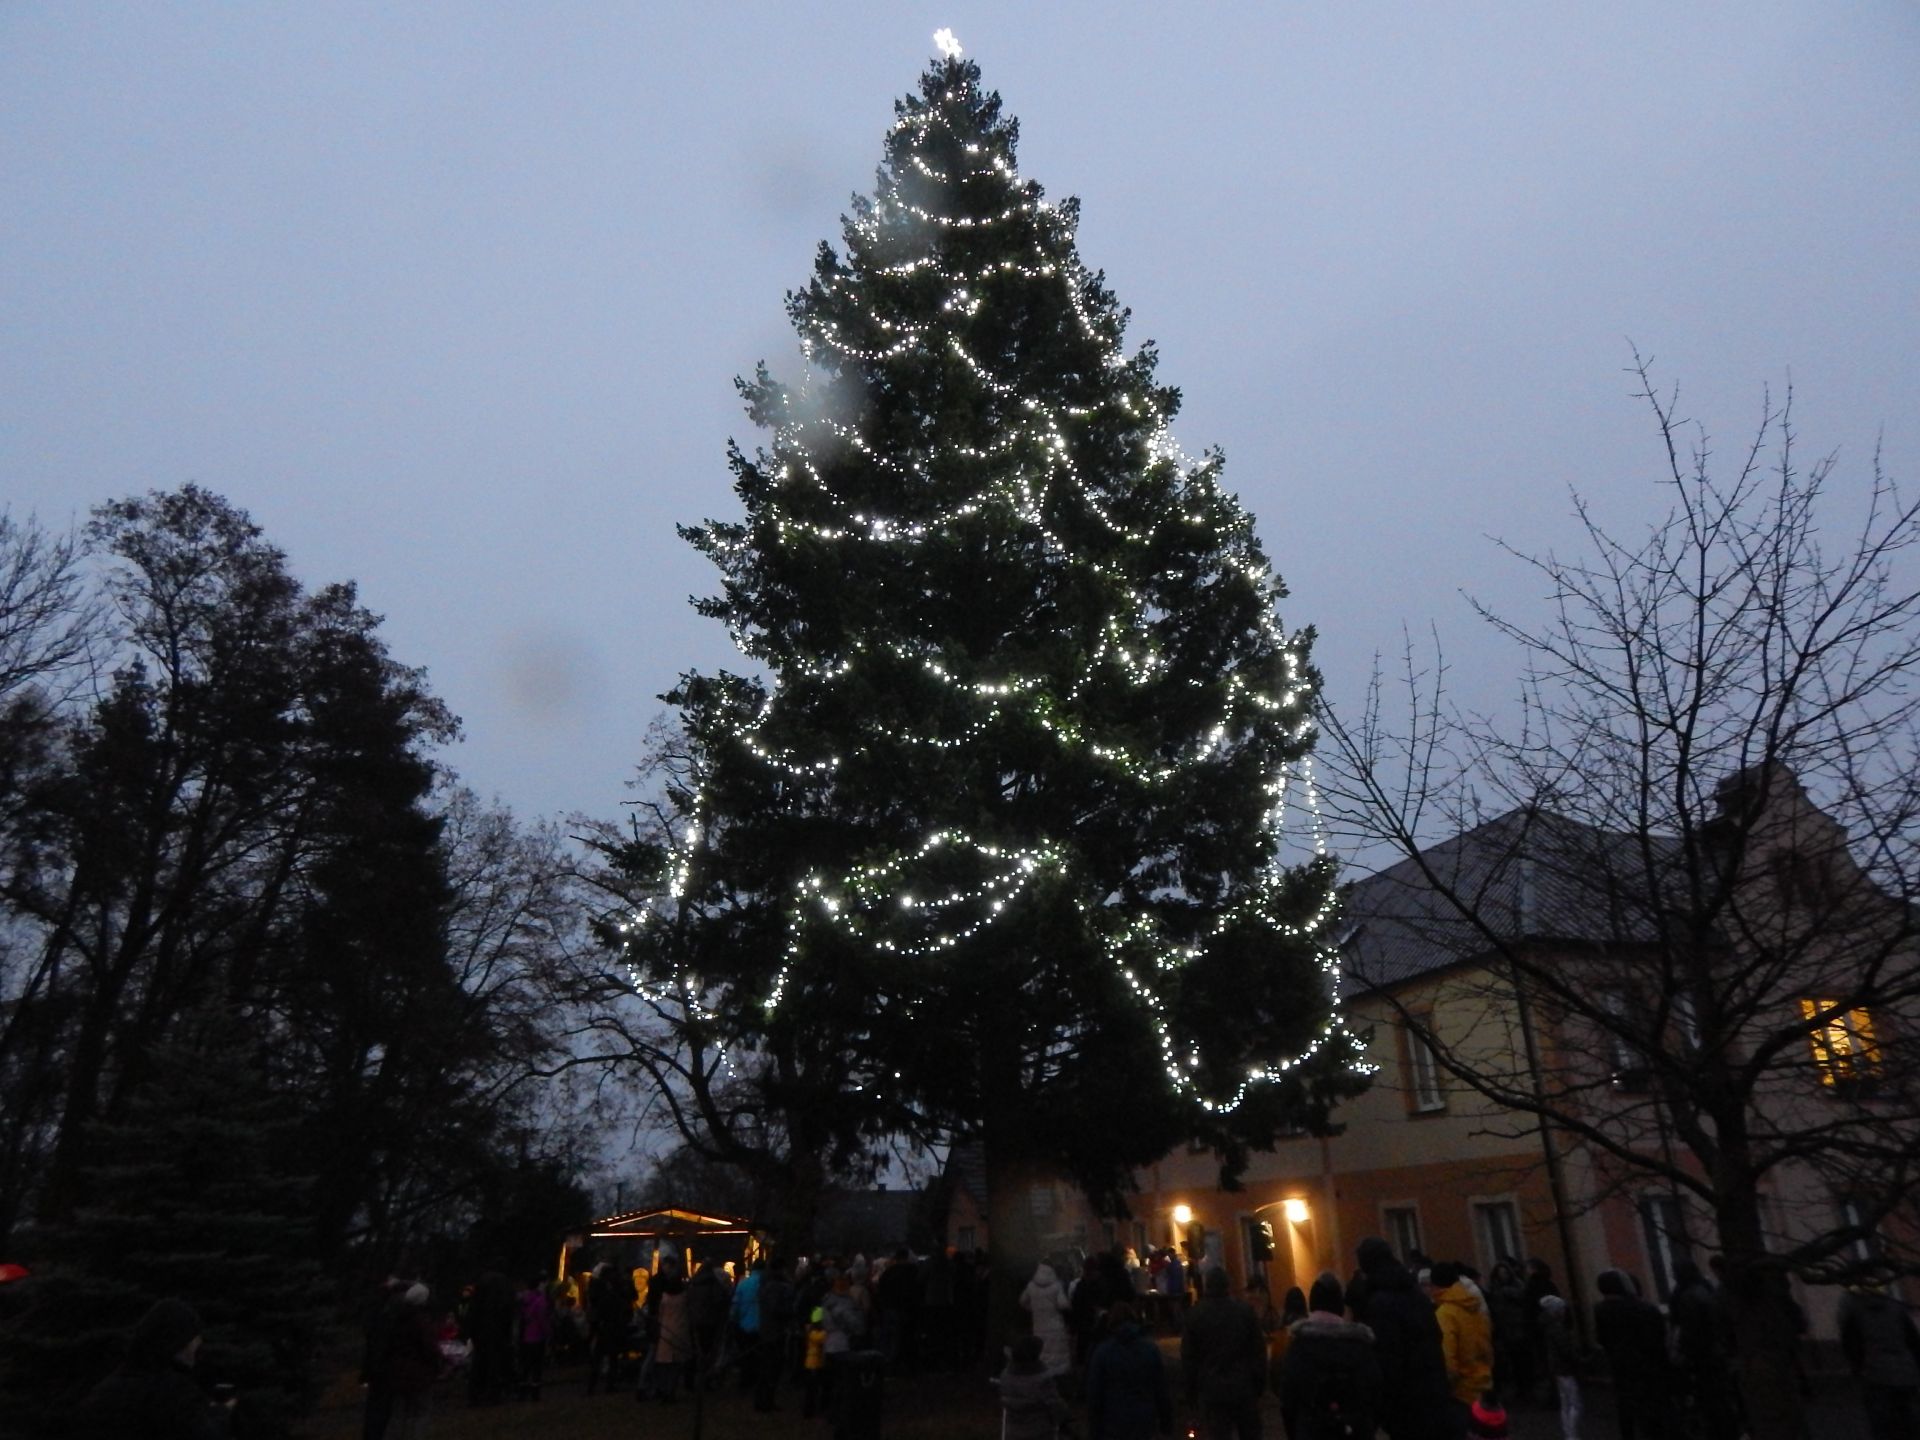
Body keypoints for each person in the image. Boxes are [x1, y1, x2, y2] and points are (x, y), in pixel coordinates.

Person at [72, 1297, 235, 1440]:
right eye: (193, 1336)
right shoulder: (174, 1393)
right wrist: (222, 1414)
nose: (198, 1342)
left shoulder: (104, 1390)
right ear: (177, 1341)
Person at [1351, 1237, 1451, 1440]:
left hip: (1406, 1403)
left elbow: (1387, 1360)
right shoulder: (1416, 1294)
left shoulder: (1380, 1303)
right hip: (1434, 1393)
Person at [1280, 1272, 1381, 1440]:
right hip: (1353, 1431)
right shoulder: (1358, 1344)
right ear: (1340, 1306)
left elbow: (1288, 1399)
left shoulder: (1299, 1346)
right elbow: (1375, 1393)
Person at [1182, 1267, 1268, 1440]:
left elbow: (1189, 1358)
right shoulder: (1244, 1312)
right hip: (1243, 1386)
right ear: (1228, 1285)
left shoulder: (1196, 1315)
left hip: (1213, 1390)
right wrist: (1258, 1384)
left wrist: (1191, 1393)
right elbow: (1258, 1351)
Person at [1592, 1270, 1672, 1440]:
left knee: (1626, 1408)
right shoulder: (1642, 1309)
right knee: (1651, 1410)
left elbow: (1601, 1338)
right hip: (1647, 1366)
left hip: (1620, 1366)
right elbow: (1657, 1338)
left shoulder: (1601, 1310)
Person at [1837, 1283, 1920, 1440]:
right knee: (1908, 1415)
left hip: (1874, 1372)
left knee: (1882, 1420)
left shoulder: (1854, 1310)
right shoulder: (1896, 1308)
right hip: (1905, 1370)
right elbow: (1913, 1340)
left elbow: (1852, 1345)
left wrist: (1857, 1369)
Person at [1666, 1260, 1735, 1440]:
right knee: (1720, 1399)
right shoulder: (1706, 1290)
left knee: (1710, 1400)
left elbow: (1691, 1331)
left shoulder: (1687, 1297)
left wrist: (1683, 1354)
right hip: (1715, 1353)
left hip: (1703, 1356)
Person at [1087, 1300, 1173, 1440]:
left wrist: (1094, 1428)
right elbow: (1160, 1388)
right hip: (1144, 1418)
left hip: (1113, 1419)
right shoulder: (1150, 1349)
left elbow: (1095, 1393)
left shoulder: (1103, 1352)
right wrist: (1166, 1421)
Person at [1432, 1262, 1493, 1439]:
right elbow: (1487, 1345)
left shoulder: (1445, 1313)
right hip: (1483, 1384)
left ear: (1435, 1285)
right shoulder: (1473, 1306)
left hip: (1462, 1392)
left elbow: (1448, 1358)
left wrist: (1446, 1386)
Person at [385, 1283, 444, 1440]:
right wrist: (438, 1363)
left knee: (398, 1413)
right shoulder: (422, 1321)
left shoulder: (395, 1318)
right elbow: (429, 1347)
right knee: (421, 1412)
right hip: (419, 1373)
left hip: (398, 1371)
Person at [1000, 1333, 1074, 1440]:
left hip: (1012, 1432)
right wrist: (1067, 1417)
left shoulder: (1005, 1376)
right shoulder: (1042, 1380)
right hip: (1039, 1432)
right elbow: (1055, 1405)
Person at [643, 1257, 691, 1401]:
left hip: (665, 1330)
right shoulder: (684, 1297)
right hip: (680, 1330)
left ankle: (662, 1388)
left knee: (664, 1363)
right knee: (676, 1364)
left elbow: (660, 1313)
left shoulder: (664, 1297)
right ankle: (671, 1390)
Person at [1538, 1294, 1584, 1440]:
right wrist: (1580, 1360)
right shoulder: (1558, 1329)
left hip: (1558, 1369)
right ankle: (1572, 1435)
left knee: (1565, 1403)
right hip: (1565, 1369)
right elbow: (1567, 1351)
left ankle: (1569, 1433)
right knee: (1575, 1404)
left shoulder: (1549, 1327)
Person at [584, 1262, 634, 1395]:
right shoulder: (613, 1292)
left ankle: (593, 1386)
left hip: (604, 1327)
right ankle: (609, 1385)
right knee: (612, 1358)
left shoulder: (600, 1291)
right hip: (613, 1327)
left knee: (600, 1357)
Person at [1021, 1259, 1074, 1378]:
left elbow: (1022, 1301)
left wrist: (1033, 1309)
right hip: (1055, 1326)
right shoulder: (1056, 1285)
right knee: (1056, 1353)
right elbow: (1063, 1304)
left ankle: (1042, 1374)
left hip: (1038, 1325)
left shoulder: (1031, 1285)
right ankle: (1058, 1376)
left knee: (1042, 1351)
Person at [513, 1276, 550, 1400]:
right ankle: (535, 1392)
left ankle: (522, 1391)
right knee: (537, 1366)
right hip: (537, 1336)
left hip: (524, 1336)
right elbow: (542, 1319)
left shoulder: (523, 1299)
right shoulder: (540, 1300)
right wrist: (548, 1333)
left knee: (525, 1365)